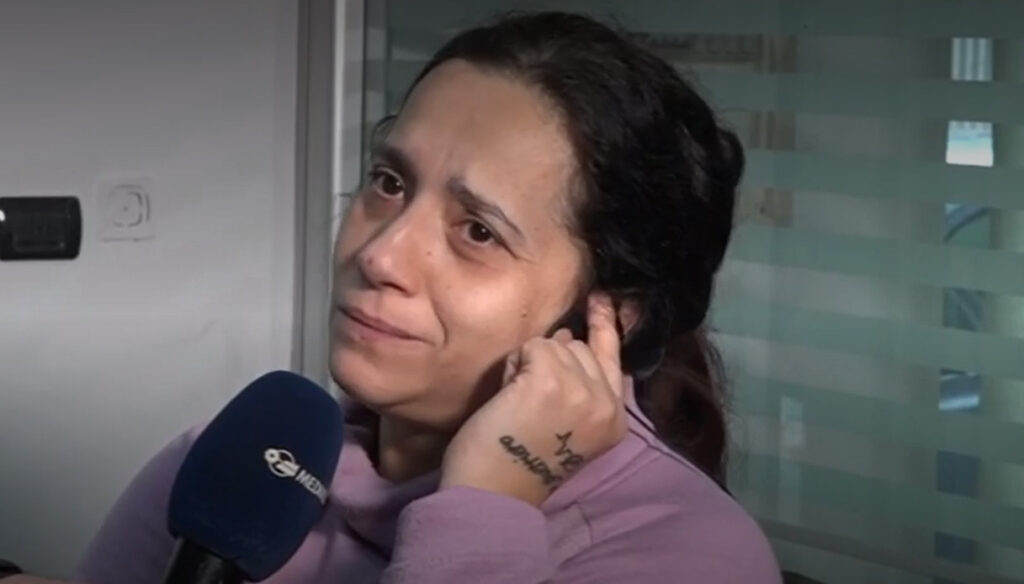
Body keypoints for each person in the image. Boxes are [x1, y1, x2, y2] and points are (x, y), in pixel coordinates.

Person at [65, 11, 780, 584]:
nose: (380, 254)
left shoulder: (691, 554)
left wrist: (484, 506)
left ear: (611, 315)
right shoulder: (236, 466)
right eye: (389, 183)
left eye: (478, 231)